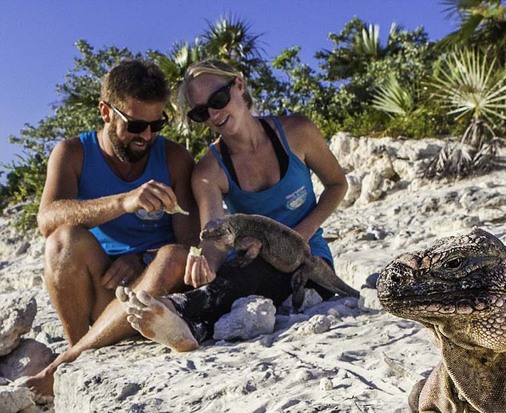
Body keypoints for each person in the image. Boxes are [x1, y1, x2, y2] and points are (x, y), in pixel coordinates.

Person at [118, 59, 349, 351]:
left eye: (218, 99)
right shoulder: (208, 171)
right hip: (251, 257)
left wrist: (301, 233)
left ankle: (179, 310)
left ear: (239, 85)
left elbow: (337, 184)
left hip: (307, 258)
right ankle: (183, 321)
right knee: (240, 271)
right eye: (202, 112)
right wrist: (206, 264)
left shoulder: (297, 132)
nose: (214, 115)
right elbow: (214, 235)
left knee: (259, 274)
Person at [25, 59, 199, 396]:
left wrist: (141, 259)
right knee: (62, 242)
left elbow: (190, 242)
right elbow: (46, 220)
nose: (146, 136)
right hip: (104, 287)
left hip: (155, 289)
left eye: (156, 124)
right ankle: (83, 345)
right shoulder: (72, 152)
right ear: (106, 112)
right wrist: (123, 201)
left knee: (173, 256)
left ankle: (74, 357)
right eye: (135, 125)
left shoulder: (175, 158)